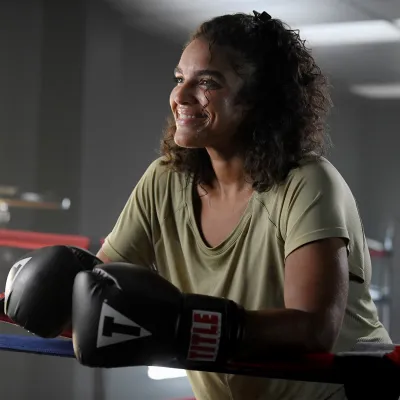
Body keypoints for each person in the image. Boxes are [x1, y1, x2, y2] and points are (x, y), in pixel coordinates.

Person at [4, 10, 392, 400]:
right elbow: (101, 295)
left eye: (207, 82)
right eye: (179, 79)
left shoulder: (307, 184)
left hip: (342, 392)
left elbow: (313, 331)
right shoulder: (165, 181)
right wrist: (53, 297)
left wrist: (184, 325)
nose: (181, 96)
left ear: (259, 99)